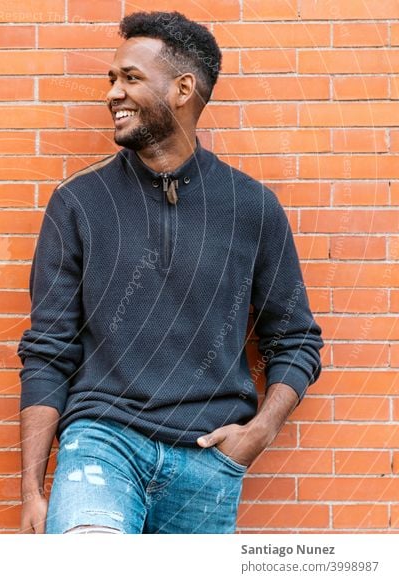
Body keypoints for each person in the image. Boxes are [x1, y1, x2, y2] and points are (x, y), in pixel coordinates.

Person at [16, 11, 324, 534]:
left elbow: (295, 338)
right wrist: (31, 491)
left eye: (130, 78)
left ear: (183, 89)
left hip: (208, 460)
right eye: (112, 79)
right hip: (101, 443)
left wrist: (258, 433)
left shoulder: (251, 208)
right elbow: (49, 348)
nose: (113, 93)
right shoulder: (78, 203)